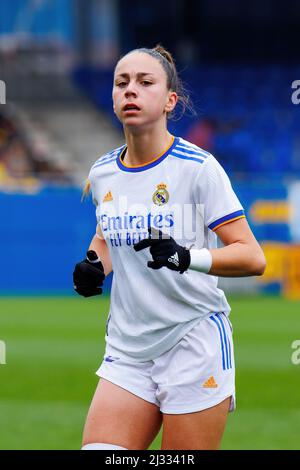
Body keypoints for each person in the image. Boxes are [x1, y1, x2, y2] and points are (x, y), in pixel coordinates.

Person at [73, 45, 266, 451]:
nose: (131, 91)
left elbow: (252, 256)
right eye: (121, 82)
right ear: (111, 96)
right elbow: (106, 234)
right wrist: (95, 265)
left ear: (169, 101)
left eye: (145, 83)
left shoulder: (198, 168)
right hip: (128, 349)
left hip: (193, 342)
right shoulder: (103, 171)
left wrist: (186, 257)